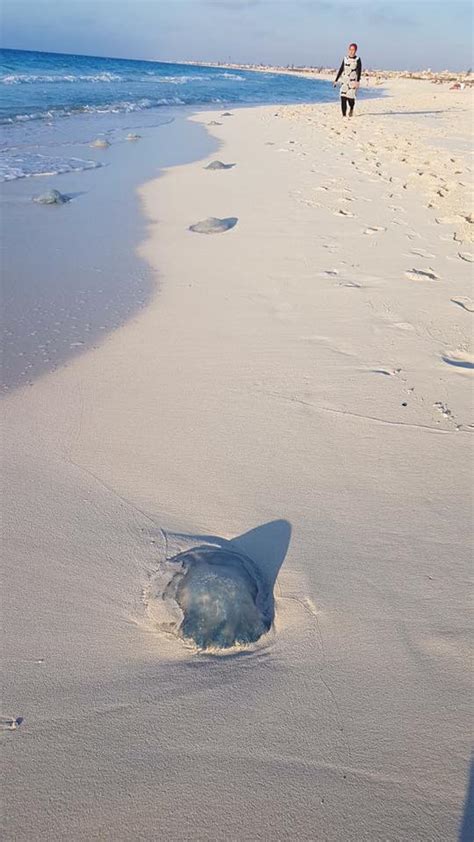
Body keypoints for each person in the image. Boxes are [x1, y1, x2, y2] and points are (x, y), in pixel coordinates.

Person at [333, 43, 362, 117]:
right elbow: (341, 69)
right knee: (343, 97)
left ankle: (351, 108)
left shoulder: (357, 59)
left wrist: (357, 81)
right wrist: (336, 80)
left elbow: (359, 71)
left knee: (350, 100)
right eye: (350, 49)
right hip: (344, 81)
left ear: (356, 50)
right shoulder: (345, 59)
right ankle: (344, 115)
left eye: (353, 50)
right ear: (348, 50)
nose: (352, 51)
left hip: (352, 82)